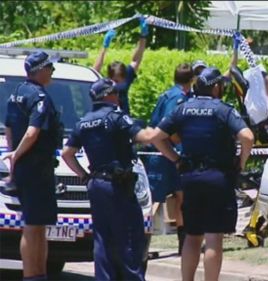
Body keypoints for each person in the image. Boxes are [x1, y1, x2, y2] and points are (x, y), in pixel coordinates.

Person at [61, 79, 176, 281]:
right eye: (115, 91)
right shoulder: (115, 116)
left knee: (102, 240)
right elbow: (147, 136)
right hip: (117, 186)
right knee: (130, 237)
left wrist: (85, 177)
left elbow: (67, 154)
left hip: (96, 185)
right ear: (108, 95)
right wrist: (170, 122)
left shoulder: (84, 121)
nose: (118, 95)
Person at [151, 67, 254, 281]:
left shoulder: (183, 109)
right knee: (214, 237)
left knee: (192, 235)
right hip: (218, 178)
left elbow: (156, 137)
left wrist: (176, 160)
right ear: (216, 87)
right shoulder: (223, 110)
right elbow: (247, 137)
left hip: (190, 179)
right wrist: (241, 162)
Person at [3, 51, 62, 280]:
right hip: (37, 168)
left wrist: (14, 156)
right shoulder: (40, 97)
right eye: (50, 67)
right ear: (41, 70)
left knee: (37, 225)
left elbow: (9, 128)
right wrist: (16, 154)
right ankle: (33, 275)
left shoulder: (16, 92)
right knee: (33, 226)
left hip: (26, 168)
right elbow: (32, 131)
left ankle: (38, 274)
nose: (52, 71)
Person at [147, 63, 194, 254]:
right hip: (164, 156)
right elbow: (169, 129)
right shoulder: (178, 98)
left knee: (181, 197)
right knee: (153, 202)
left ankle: (183, 245)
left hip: (170, 155)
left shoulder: (170, 94)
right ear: (192, 80)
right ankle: (142, 244)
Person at [93, 17, 149, 115]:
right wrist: (104, 46)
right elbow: (94, 71)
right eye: (113, 80)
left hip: (123, 121)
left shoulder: (126, 80)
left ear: (124, 78)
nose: (115, 84)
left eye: (118, 81)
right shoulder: (104, 85)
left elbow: (136, 60)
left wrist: (143, 36)